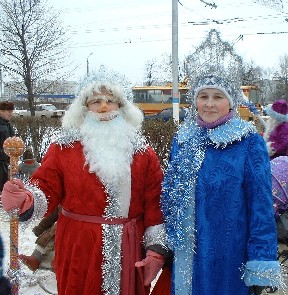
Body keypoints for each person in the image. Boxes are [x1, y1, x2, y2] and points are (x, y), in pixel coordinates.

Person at [1, 76, 168, 295]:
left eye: (111, 100)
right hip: (78, 246)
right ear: (85, 107)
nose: (104, 106)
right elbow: (45, 187)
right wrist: (26, 199)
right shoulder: (64, 148)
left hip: (128, 249)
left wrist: (155, 251)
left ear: (122, 105)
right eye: (96, 101)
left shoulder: (143, 153)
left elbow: (155, 204)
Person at [160, 75, 282, 295]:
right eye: (203, 96)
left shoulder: (248, 142)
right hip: (187, 257)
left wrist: (261, 260)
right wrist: (169, 244)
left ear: (231, 101)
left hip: (231, 257)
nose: (209, 104)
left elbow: (261, 206)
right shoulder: (182, 140)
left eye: (218, 97)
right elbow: (170, 197)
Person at [19, 206, 60, 272]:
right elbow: (53, 215)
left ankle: (57, 263)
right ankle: (35, 259)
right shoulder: (65, 200)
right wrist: (40, 228)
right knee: (50, 235)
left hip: (79, 232)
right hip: (63, 225)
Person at [0, 101, 15, 192]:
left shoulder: (8, 124)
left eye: (11, 111)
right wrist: (3, 154)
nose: (11, 113)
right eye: (8, 111)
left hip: (6, 162)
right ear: (1, 111)